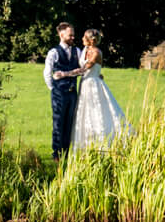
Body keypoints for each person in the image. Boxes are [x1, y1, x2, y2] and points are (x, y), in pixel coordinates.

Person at [69, 27, 131, 150]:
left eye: (84, 37)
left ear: (91, 40)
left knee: (97, 110)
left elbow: (85, 68)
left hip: (93, 84)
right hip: (84, 84)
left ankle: (101, 141)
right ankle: (85, 143)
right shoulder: (85, 49)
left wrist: (65, 74)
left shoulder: (97, 53)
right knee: (83, 111)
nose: (81, 39)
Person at [44, 21, 81, 160]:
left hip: (72, 93)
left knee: (69, 123)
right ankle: (56, 154)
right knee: (58, 123)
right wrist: (53, 88)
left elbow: (83, 69)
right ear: (61, 35)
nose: (73, 38)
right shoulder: (53, 52)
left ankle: (65, 153)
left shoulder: (77, 51)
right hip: (59, 93)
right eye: (70, 35)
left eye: (73, 35)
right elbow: (47, 73)